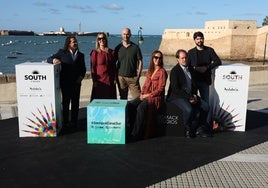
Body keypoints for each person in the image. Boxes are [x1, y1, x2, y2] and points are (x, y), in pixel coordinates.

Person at [166, 49, 210, 138]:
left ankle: (199, 129)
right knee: (189, 110)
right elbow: (175, 89)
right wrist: (189, 97)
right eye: (182, 58)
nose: (184, 60)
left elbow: (194, 85)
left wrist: (194, 95)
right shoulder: (175, 71)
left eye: (186, 57)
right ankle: (187, 129)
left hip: (190, 95)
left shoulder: (190, 68)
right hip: (176, 97)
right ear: (177, 59)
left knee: (206, 107)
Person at [47, 35, 86, 133]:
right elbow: (49, 59)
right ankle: (65, 123)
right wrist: (54, 60)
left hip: (76, 84)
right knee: (65, 104)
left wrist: (81, 77)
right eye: (73, 42)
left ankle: (74, 123)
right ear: (68, 43)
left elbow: (83, 69)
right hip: (65, 84)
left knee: (75, 104)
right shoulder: (62, 52)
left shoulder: (81, 55)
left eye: (76, 41)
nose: (75, 43)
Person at [127, 50, 168, 141]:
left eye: (159, 58)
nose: (157, 59)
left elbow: (161, 89)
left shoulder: (162, 72)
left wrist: (146, 96)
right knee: (129, 105)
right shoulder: (150, 71)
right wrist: (142, 94)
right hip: (146, 94)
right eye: (155, 57)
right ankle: (129, 128)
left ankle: (136, 134)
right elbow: (146, 85)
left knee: (141, 107)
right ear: (152, 58)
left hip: (155, 97)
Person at [188, 31, 222, 133]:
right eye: (197, 39)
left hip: (204, 81)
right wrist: (195, 68)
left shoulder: (209, 50)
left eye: (201, 38)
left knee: (206, 104)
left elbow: (218, 61)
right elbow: (187, 66)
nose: (200, 40)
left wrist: (206, 67)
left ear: (203, 39)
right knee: (193, 103)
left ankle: (206, 125)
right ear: (194, 40)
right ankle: (194, 124)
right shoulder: (190, 52)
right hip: (193, 82)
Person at [115, 28, 143, 99]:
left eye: (127, 34)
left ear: (130, 35)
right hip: (121, 78)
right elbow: (113, 63)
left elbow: (140, 61)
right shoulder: (118, 48)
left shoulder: (135, 47)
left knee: (138, 98)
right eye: (124, 34)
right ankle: (125, 110)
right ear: (121, 35)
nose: (125, 36)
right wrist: (115, 76)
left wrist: (139, 75)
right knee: (123, 98)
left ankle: (136, 110)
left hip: (133, 78)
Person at [90, 32, 117, 101]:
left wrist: (115, 78)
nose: (101, 40)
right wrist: (94, 81)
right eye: (99, 38)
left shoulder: (111, 52)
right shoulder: (95, 52)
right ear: (97, 40)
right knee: (99, 101)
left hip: (110, 80)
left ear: (106, 39)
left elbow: (114, 67)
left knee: (110, 101)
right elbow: (93, 68)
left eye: (103, 38)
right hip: (100, 82)